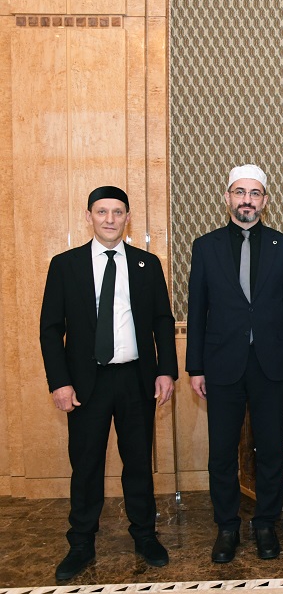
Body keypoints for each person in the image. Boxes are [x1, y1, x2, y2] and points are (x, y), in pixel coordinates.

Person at [39, 186, 177, 581]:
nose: (110, 219)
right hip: (87, 384)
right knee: (86, 464)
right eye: (102, 212)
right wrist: (60, 382)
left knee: (138, 461)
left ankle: (145, 535)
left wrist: (165, 370)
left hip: (136, 379)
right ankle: (81, 542)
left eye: (118, 212)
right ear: (89, 217)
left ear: (127, 217)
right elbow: (51, 329)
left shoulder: (147, 264)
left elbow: (162, 321)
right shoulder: (65, 265)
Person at [186, 164, 283, 563]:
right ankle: (227, 527)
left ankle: (266, 524)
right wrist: (195, 367)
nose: (246, 200)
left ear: (265, 200)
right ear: (227, 197)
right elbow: (197, 309)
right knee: (222, 452)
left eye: (254, 193)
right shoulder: (206, 246)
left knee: (270, 450)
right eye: (240, 192)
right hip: (222, 365)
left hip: (270, 366)